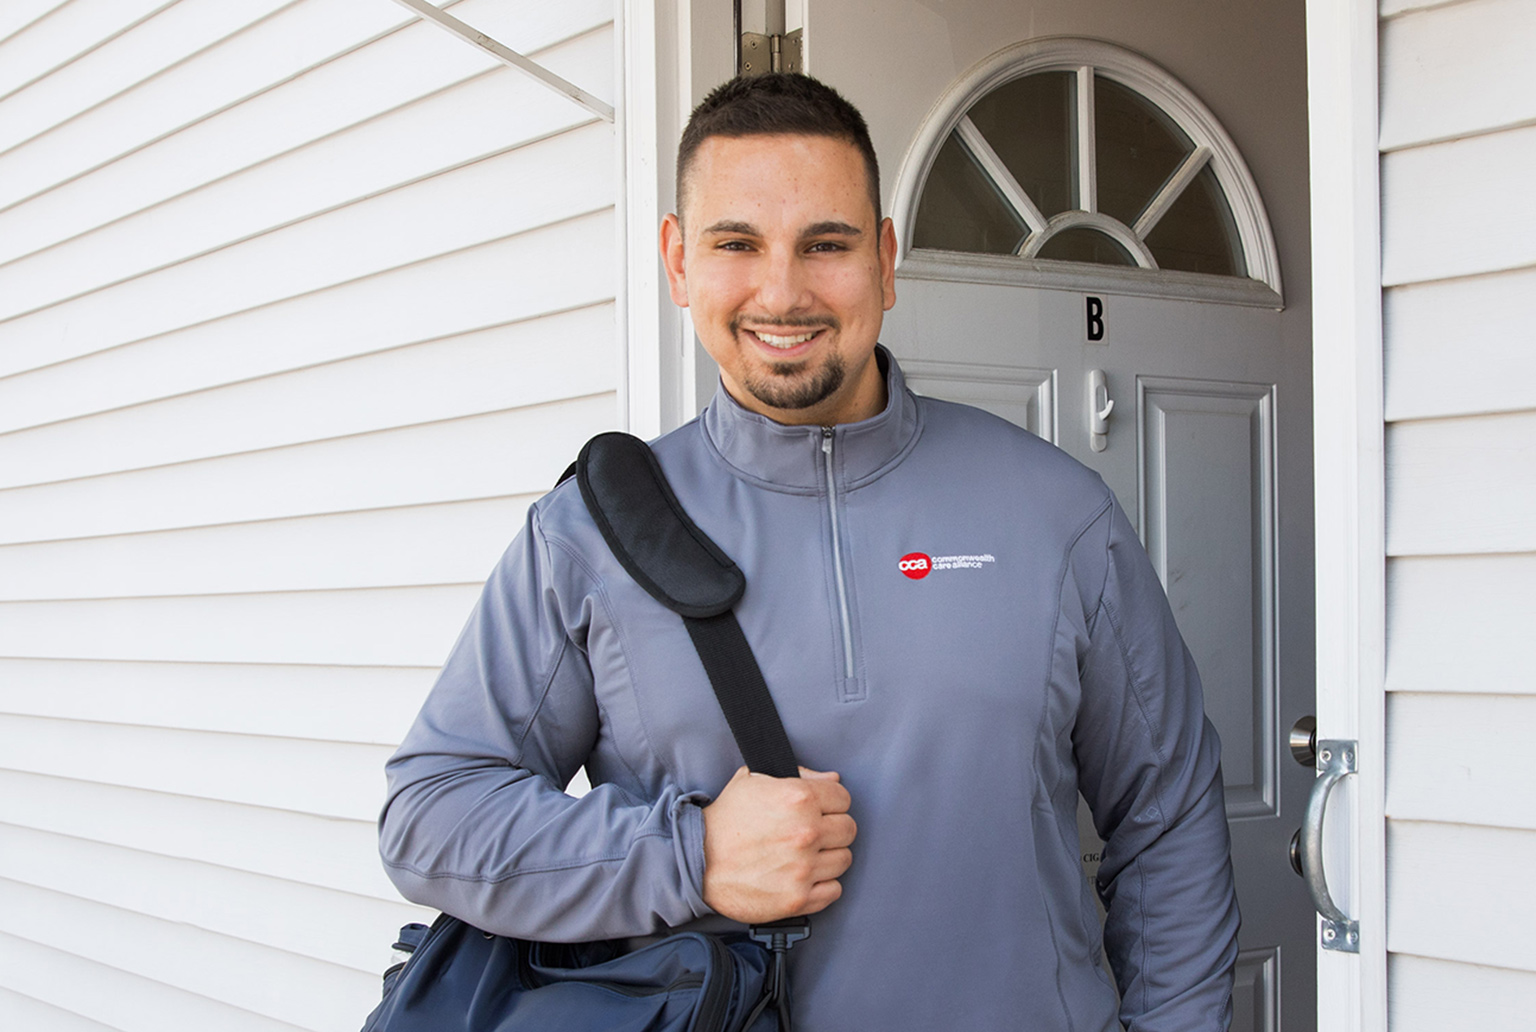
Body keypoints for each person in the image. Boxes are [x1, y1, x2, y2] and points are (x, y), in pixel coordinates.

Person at [379, 73, 1239, 1031]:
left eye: (825, 244)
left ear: (884, 258)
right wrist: (691, 855)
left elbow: (1169, 820)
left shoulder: (1056, 514)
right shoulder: (589, 535)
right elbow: (432, 816)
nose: (781, 292)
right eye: (736, 244)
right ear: (677, 262)